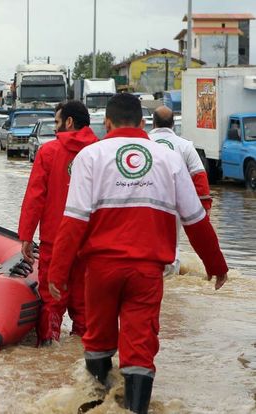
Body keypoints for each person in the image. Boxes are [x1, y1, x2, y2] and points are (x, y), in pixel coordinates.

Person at [47, 94, 228, 413]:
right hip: (147, 272)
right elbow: (195, 218)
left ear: (107, 123)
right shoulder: (169, 159)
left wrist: (57, 273)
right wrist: (216, 264)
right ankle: (135, 408)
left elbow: (73, 221)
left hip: (101, 270)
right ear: (142, 123)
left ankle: (95, 403)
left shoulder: (91, 156)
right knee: (140, 345)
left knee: (98, 337)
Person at [18, 100, 98, 346]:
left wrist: (26, 237)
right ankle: (82, 359)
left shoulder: (48, 152)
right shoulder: (101, 152)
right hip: (91, 244)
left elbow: (35, 197)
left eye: (56, 122)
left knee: (51, 304)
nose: (55, 128)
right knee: (86, 309)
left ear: (69, 122)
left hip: (55, 242)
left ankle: (48, 352)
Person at [149, 106, 212, 275]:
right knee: (171, 243)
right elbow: (200, 177)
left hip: (143, 201)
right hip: (174, 204)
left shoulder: (143, 143)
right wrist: (204, 208)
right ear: (173, 124)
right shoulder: (185, 146)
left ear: (153, 122)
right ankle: (171, 278)